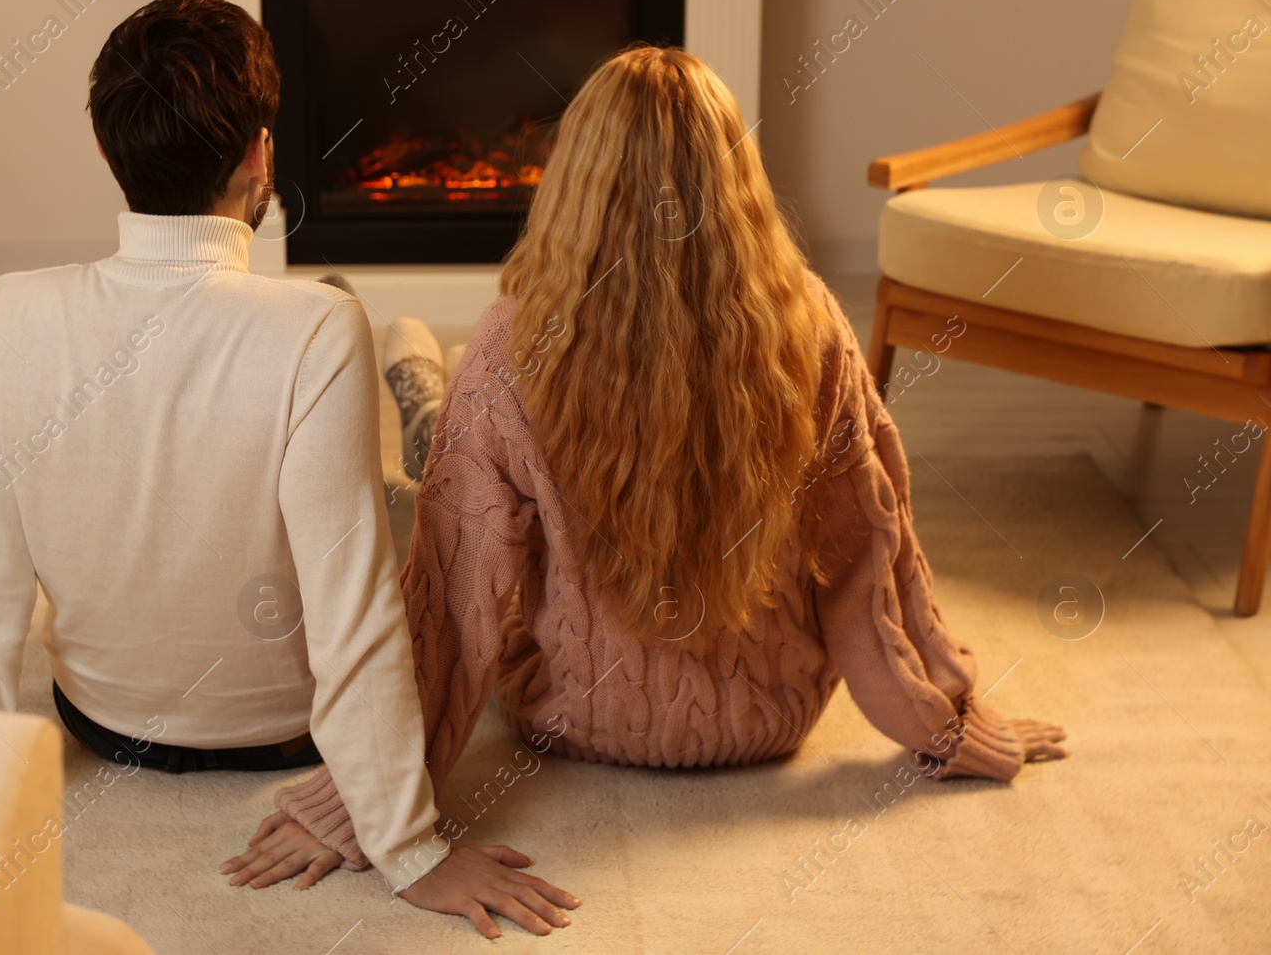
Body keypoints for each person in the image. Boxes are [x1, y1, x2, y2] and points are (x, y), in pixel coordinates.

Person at [227, 45, 1069, 903]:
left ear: (575, 179)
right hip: (767, 719)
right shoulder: (811, 324)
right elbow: (870, 566)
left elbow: (453, 607)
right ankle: (425, 391)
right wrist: (949, 723)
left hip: (566, 715)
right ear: (733, 178)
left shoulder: (515, 340)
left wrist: (357, 808)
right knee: (465, 438)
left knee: (439, 469)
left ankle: (420, 387)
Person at [0, 0, 576, 936]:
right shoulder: (314, 329)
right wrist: (408, 845)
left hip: (104, 723)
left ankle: (412, 386)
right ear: (261, 155)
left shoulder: (1, 320)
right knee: (417, 496)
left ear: (109, 154)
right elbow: (351, 609)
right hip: (285, 735)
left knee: (318, 337)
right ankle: (421, 385)